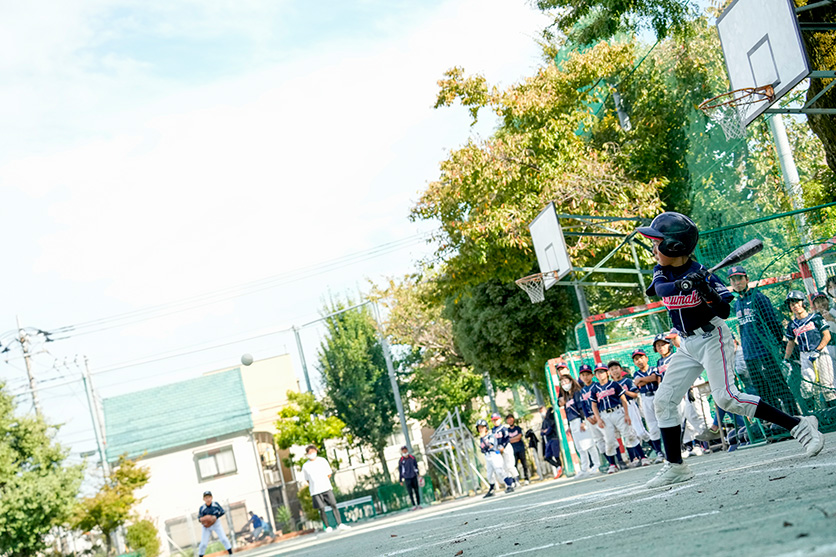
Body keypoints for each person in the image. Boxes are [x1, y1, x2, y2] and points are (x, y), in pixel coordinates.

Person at [637, 212, 823, 488]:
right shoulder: (664, 271)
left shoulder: (705, 276)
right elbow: (662, 290)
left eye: (657, 243)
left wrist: (707, 292)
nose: (654, 249)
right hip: (687, 343)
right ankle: (675, 466)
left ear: (673, 246)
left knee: (726, 398)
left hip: (713, 338)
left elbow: (723, 311)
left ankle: (798, 424)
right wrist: (684, 284)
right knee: (663, 401)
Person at [728, 266, 798, 414]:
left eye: (739, 278)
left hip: (765, 352)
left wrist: (777, 344)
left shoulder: (759, 298)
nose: (737, 282)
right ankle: (777, 424)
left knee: (778, 386)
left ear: (746, 279)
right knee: (763, 392)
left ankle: (794, 417)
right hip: (749, 354)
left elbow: (773, 323)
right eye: (733, 280)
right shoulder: (737, 304)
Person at [591, 363, 648, 473]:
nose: (600, 374)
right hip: (604, 415)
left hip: (617, 411)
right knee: (609, 440)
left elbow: (623, 399)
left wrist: (626, 414)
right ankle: (613, 464)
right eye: (598, 372)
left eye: (602, 371)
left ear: (607, 373)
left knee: (629, 434)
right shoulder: (595, 389)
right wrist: (598, 419)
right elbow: (594, 405)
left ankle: (643, 457)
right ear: (595, 375)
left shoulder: (614, 384)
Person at [784, 290, 835, 405]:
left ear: (803, 303)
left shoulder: (815, 318)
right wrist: (786, 359)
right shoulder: (792, 325)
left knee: (827, 387)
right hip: (805, 355)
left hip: (821, 353)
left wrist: (817, 350)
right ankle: (813, 414)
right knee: (806, 387)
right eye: (792, 304)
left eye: (797, 302)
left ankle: (833, 414)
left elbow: (827, 336)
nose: (795, 306)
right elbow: (791, 342)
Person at [557, 370, 600, 476]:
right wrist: (569, 426)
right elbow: (567, 412)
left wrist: (582, 421)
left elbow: (581, 408)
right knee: (580, 447)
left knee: (589, 444)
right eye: (562, 383)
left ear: (571, 381)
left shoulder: (577, 393)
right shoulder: (567, 396)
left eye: (566, 382)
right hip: (572, 423)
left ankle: (596, 464)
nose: (564, 385)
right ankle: (585, 468)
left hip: (579, 420)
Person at [301, 445, 350, 532]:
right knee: (321, 509)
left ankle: (339, 523)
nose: (311, 454)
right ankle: (327, 527)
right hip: (315, 490)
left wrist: (323, 481)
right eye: (309, 452)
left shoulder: (322, 461)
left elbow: (329, 473)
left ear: (316, 451)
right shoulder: (305, 466)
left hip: (326, 487)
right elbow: (307, 479)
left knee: (333, 505)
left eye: (312, 452)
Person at [632, 348, 665, 463]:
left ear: (646, 358)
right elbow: (637, 384)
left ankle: (677, 448)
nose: (639, 361)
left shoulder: (654, 368)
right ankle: (659, 453)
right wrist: (646, 380)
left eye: (641, 357)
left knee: (664, 422)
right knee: (652, 426)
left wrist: (642, 380)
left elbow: (654, 378)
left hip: (657, 394)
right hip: (645, 398)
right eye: (636, 359)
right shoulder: (635, 373)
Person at [609, 360, 651, 445]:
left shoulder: (627, 381)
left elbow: (635, 395)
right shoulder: (611, 385)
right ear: (609, 372)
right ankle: (641, 457)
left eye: (616, 368)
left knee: (641, 432)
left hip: (630, 405)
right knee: (630, 436)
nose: (614, 371)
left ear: (621, 369)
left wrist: (623, 391)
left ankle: (658, 450)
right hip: (619, 409)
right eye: (612, 369)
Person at [578, 363, 606, 469]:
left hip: (600, 415)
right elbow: (584, 405)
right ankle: (608, 462)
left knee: (608, 438)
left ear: (592, 375)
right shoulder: (583, 391)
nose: (585, 377)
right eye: (583, 375)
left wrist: (596, 415)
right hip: (590, 418)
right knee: (598, 441)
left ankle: (618, 461)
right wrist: (587, 417)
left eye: (587, 374)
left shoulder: (597, 386)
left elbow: (601, 400)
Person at [476, 419, 515, 496]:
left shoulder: (490, 435)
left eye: (482, 427)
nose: (481, 429)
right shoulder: (481, 438)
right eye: (479, 428)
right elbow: (483, 449)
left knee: (499, 471)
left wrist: (484, 440)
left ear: (486, 427)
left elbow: (490, 445)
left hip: (494, 455)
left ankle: (510, 484)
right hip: (487, 456)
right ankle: (491, 490)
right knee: (489, 474)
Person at [197, 491, 233, 557]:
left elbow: (222, 511)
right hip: (206, 526)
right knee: (203, 543)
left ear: (211, 498)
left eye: (209, 497)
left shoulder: (215, 504)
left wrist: (215, 517)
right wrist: (204, 519)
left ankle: (231, 553)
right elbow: (199, 518)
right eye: (206, 497)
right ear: (203, 499)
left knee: (223, 538)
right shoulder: (202, 508)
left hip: (216, 524)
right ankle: (200, 555)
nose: (208, 499)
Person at [491, 412, 519, 486]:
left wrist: (503, 446)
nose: (495, 421)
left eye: (497, 419)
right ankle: (511, 483)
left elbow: (507, 438)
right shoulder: (493, 430)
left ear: (500, 419)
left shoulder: (503, 428)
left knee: (510, 465)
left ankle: (516, 480)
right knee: (504, 467)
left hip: (506, 447)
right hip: (499, 449)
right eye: (494, 420)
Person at [505, 414, 531, 485]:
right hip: (512, 450)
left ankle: (527, 478)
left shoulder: (518, 428)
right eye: (508, 419)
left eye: (511, 419)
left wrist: (512, 439)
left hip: (520, 448)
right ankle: (516, 480)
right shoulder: (507, 430)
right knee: (514, 465)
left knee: (524, 464)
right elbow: (508, 440)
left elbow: (519, 437)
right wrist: (514, 439)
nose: (510, 421)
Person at [539, 406, 564, 479]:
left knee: (556, 456)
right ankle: (558, 466)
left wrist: (546, 431)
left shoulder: (552, 417)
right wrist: (545, 431)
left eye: (542, 411)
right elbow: (542, 432)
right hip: (548, 440)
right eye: (540, 412)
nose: (542, 413)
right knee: (547, 457)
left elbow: (549, 429)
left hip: (554, 438)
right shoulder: (544, 421)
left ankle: (560, 470)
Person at [811, 291, 836, 360]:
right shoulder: (815, 319)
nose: (821, 304)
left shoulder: (834, 311)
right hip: (827, 348)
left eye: (822, 300)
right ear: (815, 306)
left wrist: (832, 318)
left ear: (827, 300)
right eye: (818, 303)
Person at [398, 445, 421, 510]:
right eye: (403, 450)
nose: (404, 451)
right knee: (410, 492)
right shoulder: (401, 460)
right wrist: (400, 480)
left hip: (413, 476)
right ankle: (413, 505)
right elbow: (400, 470)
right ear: (402, 451)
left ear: (407, 450)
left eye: (405, 449)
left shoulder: (412, 458)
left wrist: (418, 474)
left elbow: (416, 466)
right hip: (407, 478)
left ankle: (419, 504)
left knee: (416, 490)